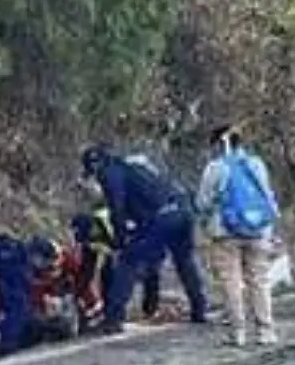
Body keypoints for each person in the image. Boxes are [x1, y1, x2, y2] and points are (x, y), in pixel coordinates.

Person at [83, 143, 209, 334]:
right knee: (184, 260)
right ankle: (199, 309)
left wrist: (120, 238)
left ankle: (113, 320)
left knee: (128, 262)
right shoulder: (136, 166)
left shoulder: (109, 172)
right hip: (183, 210)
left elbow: (117, 206)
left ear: (94, 166)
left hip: (161, 216)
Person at [196, 125, 281, 347]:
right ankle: (266, 331)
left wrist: (204, 222)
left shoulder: (215, 167)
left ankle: (238, 333)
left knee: (231, 282)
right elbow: (267, 195)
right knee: (259, 280)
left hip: (226, 233)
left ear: (218, 144)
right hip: (259, 230)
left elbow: (202, 202)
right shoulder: (256, 163)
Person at [70, 207, 159, 329]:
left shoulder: (111, 220)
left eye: (90, 234)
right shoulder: (87, 239)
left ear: (94, 226)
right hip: (116, 251)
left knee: (147, 272)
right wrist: (76, 295)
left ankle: (150, 309)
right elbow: (86, 270)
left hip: (142, 238)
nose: (90, 239)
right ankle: (111, 315)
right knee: (107, 275)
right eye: (85, 238)